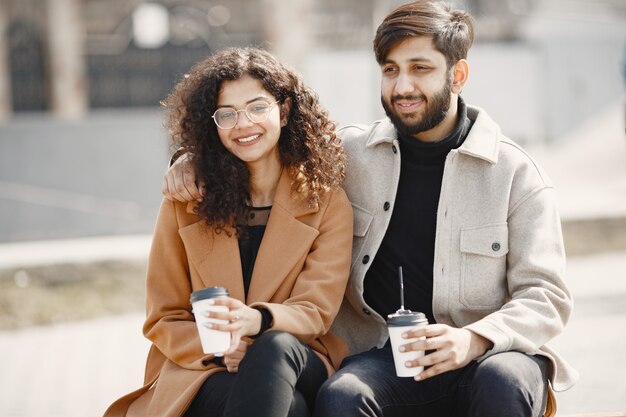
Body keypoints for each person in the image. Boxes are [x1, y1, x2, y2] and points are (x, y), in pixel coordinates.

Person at [162, 2, 578, 416]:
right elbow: (261, 145)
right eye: (391, 70)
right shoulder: (348, 155)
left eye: (420, 68)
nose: (402, 86)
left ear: (458, 75)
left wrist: (474, 339)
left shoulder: (516, 173)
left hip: (490, 352)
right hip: (385, 355)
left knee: (501, 381)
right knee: (342, 395)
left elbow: (546, 296)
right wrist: (192, 157)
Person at [104, 47, 353, 417]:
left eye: (257, 107)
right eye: (227, 114)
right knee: (293, 410)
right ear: (213, 125)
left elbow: (315, 310)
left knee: (274, 349)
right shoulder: (184, 203)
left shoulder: (326, 202)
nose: (243, 124)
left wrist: (258, 321)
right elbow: (164, 317)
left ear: (283, 112)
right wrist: (219, 348)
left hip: (299, 354)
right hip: (203, 366)